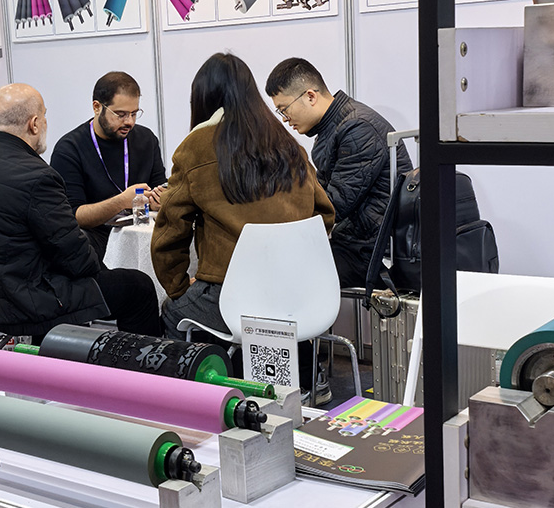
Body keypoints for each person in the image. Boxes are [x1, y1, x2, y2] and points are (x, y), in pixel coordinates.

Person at [0, 83, 160, 340]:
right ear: (34, 124)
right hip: (23, 301)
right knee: (138, 287)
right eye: (44, 116)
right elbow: (77, 259)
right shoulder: (38, 176)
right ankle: (143, 365)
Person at [151, 52, 334, 347]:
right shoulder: (289, 144)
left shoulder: (195, 147)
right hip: (297, 295)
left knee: (173, 312)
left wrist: (179, 287)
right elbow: (324, 214)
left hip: (231, 298)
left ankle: (210, 376)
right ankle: (306, 371)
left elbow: (169, 234)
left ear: (202, 99)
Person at [265, 58, 413, 288]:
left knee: (282, 273)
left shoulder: (357, 128)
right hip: (354, 242)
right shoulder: (333, 128)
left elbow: (332, 205)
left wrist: (277, 219)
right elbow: (320, 197)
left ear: (310, 96)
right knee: (274, 262)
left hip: (371, 252)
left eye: (284, 109)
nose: (285, 119)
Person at [51, 72, 167, 260]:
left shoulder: (146, 139)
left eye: (134, 113)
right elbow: (74, 215)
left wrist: (160, 200)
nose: (129, 122)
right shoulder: (70, 149)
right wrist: (121, 201)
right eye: (121, 114)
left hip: (143, 236)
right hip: (96, 244)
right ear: (97, 107)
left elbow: (160, 187)